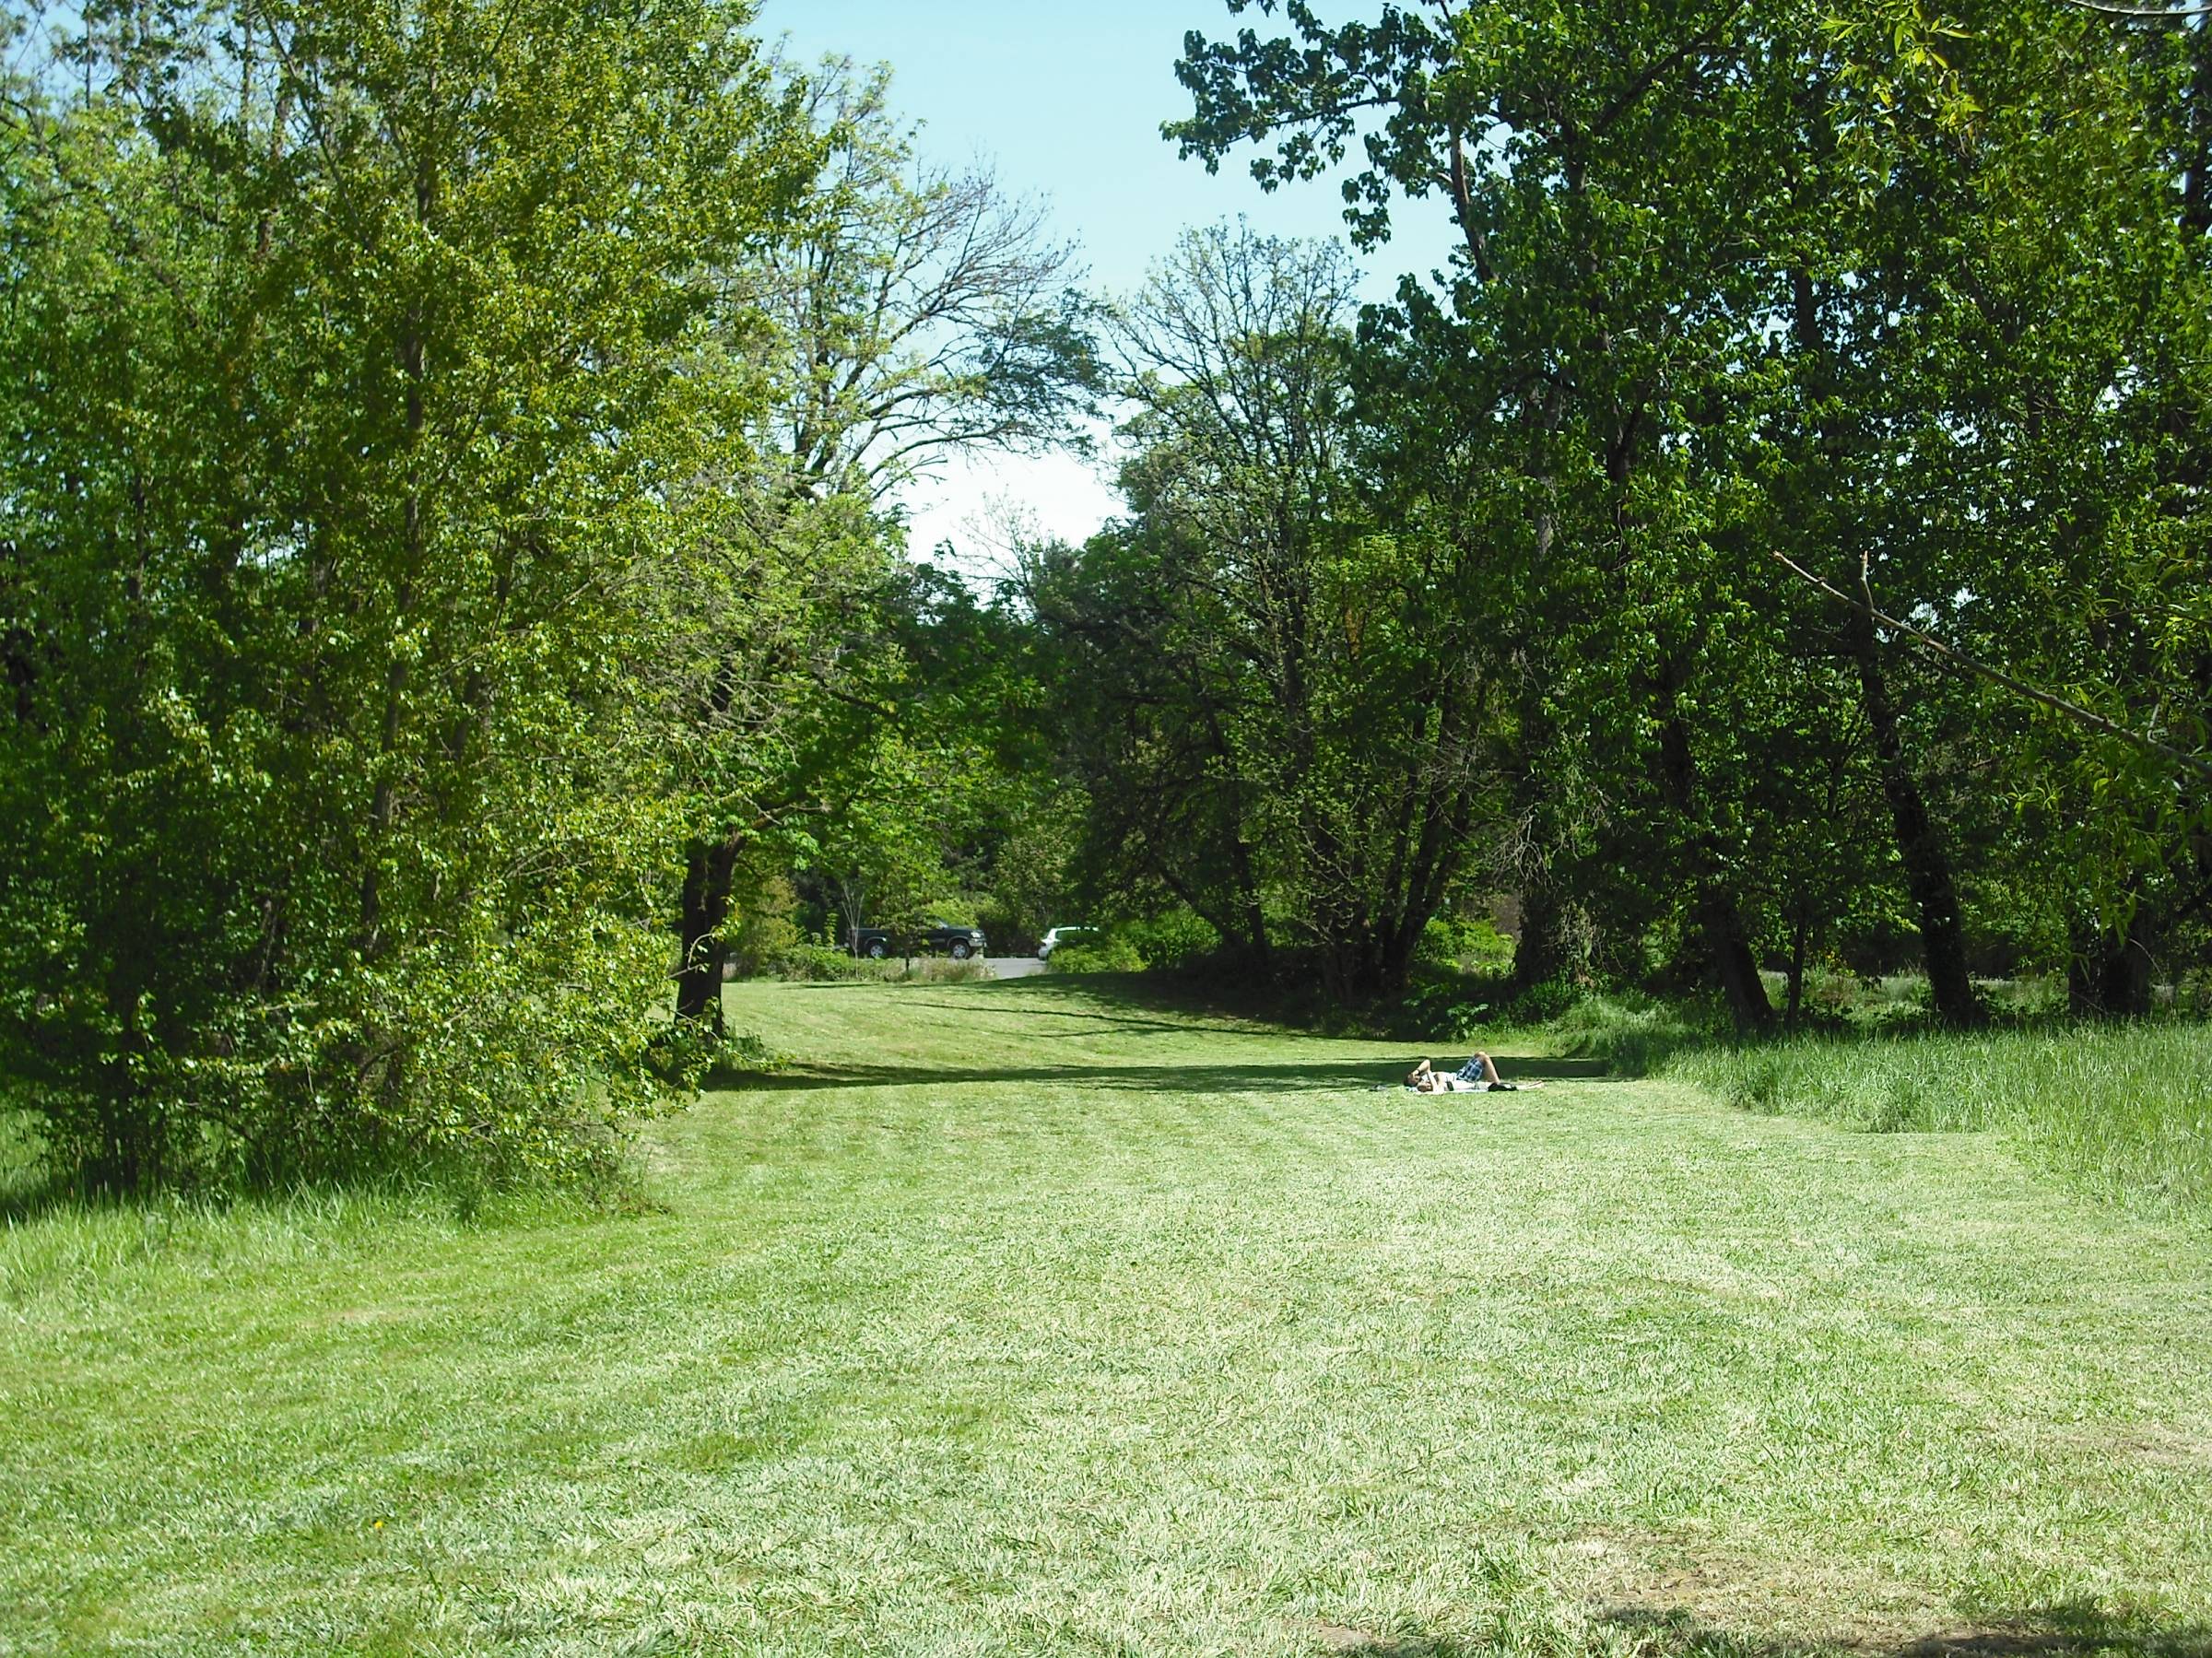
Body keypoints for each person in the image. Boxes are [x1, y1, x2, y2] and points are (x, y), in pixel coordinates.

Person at [1404, 1052, 1540, 1093]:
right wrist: (1436, 1080)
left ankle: (1496, 1084)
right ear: (1411, 1084)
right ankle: (1498, 1085)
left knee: (1479, 1054)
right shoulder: (1421, 1085)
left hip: (1458, 1074)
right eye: (1412, 1079)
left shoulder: (1422, 1076)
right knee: (1484, 1058)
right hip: (1461, 1079)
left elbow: (1427, 1062)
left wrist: (1416, 1071)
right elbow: (1438, 1087)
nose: (1414, 1077)